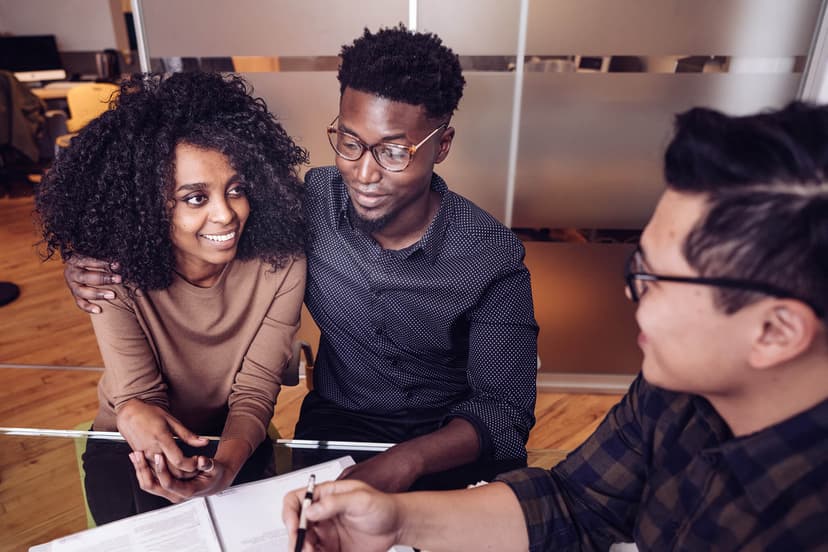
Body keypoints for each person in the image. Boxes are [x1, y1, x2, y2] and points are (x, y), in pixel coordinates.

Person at [283, 101, 828, 551]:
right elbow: (576, 504)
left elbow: (504, 412)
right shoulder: (673, 392)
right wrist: (396, 521)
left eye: (657, 280)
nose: (628, 292)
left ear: (775, 332)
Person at [63, 26, 540, 493]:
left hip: (446, 437)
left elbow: (503, 413)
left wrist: (407, 462)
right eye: (350, 143)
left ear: (442, 144)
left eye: (394, 151)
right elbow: (179, 213)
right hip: (337, 423)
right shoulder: (309, 202)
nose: (364, 173)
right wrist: (84, 259)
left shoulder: (489, 256)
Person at [36, 71, 307, 523]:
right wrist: (134, 415)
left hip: (231, 434)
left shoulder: (280, 262)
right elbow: (140, 396)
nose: (226, 214)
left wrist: (226, 465)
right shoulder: (110, 272)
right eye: (194, 198)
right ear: (145, 203)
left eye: (236, 189)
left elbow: (256, 389)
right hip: (130, 434)